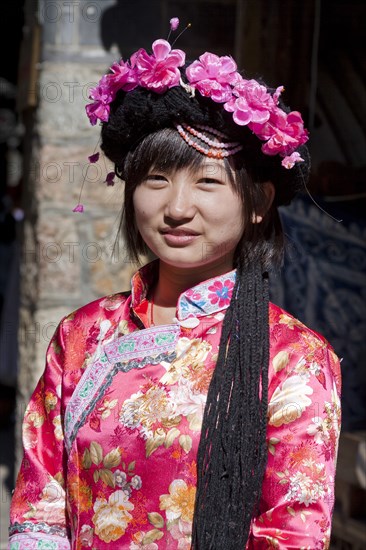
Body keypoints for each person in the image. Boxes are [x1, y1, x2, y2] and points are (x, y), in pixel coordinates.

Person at [8, 22, 341, 550]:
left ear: (257, 203)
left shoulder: (292, 358)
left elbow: (291, 535)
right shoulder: (83, 335)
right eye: (156, 180)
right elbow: (40, 510)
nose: (177, 208)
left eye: (208, 182)